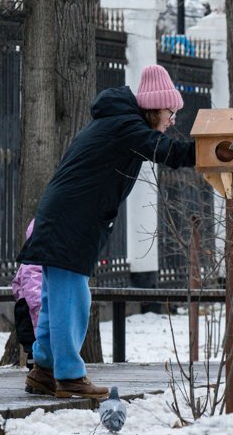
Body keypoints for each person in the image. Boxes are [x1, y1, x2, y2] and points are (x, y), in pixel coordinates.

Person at [16, 65, 196, 399]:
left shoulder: (117, 122)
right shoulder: (125, 126)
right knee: (72, 298)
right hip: (71, 221)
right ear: (155, 107)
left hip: (66, 217)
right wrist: (214, 152)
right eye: (171, 112)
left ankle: (43, 370)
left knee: (57, 299)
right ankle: (69, 375)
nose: (172, 120)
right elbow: (165, 151)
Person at [11, 218, 42, 371]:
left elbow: (17, 285)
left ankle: (36, 375)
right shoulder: (35, 259)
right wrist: (38, 306)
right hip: (31, 311)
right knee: (36, 348)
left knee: (34, 349)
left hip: (27, 307)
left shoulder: (27, 259)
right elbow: (32, 287)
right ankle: (37, 375)